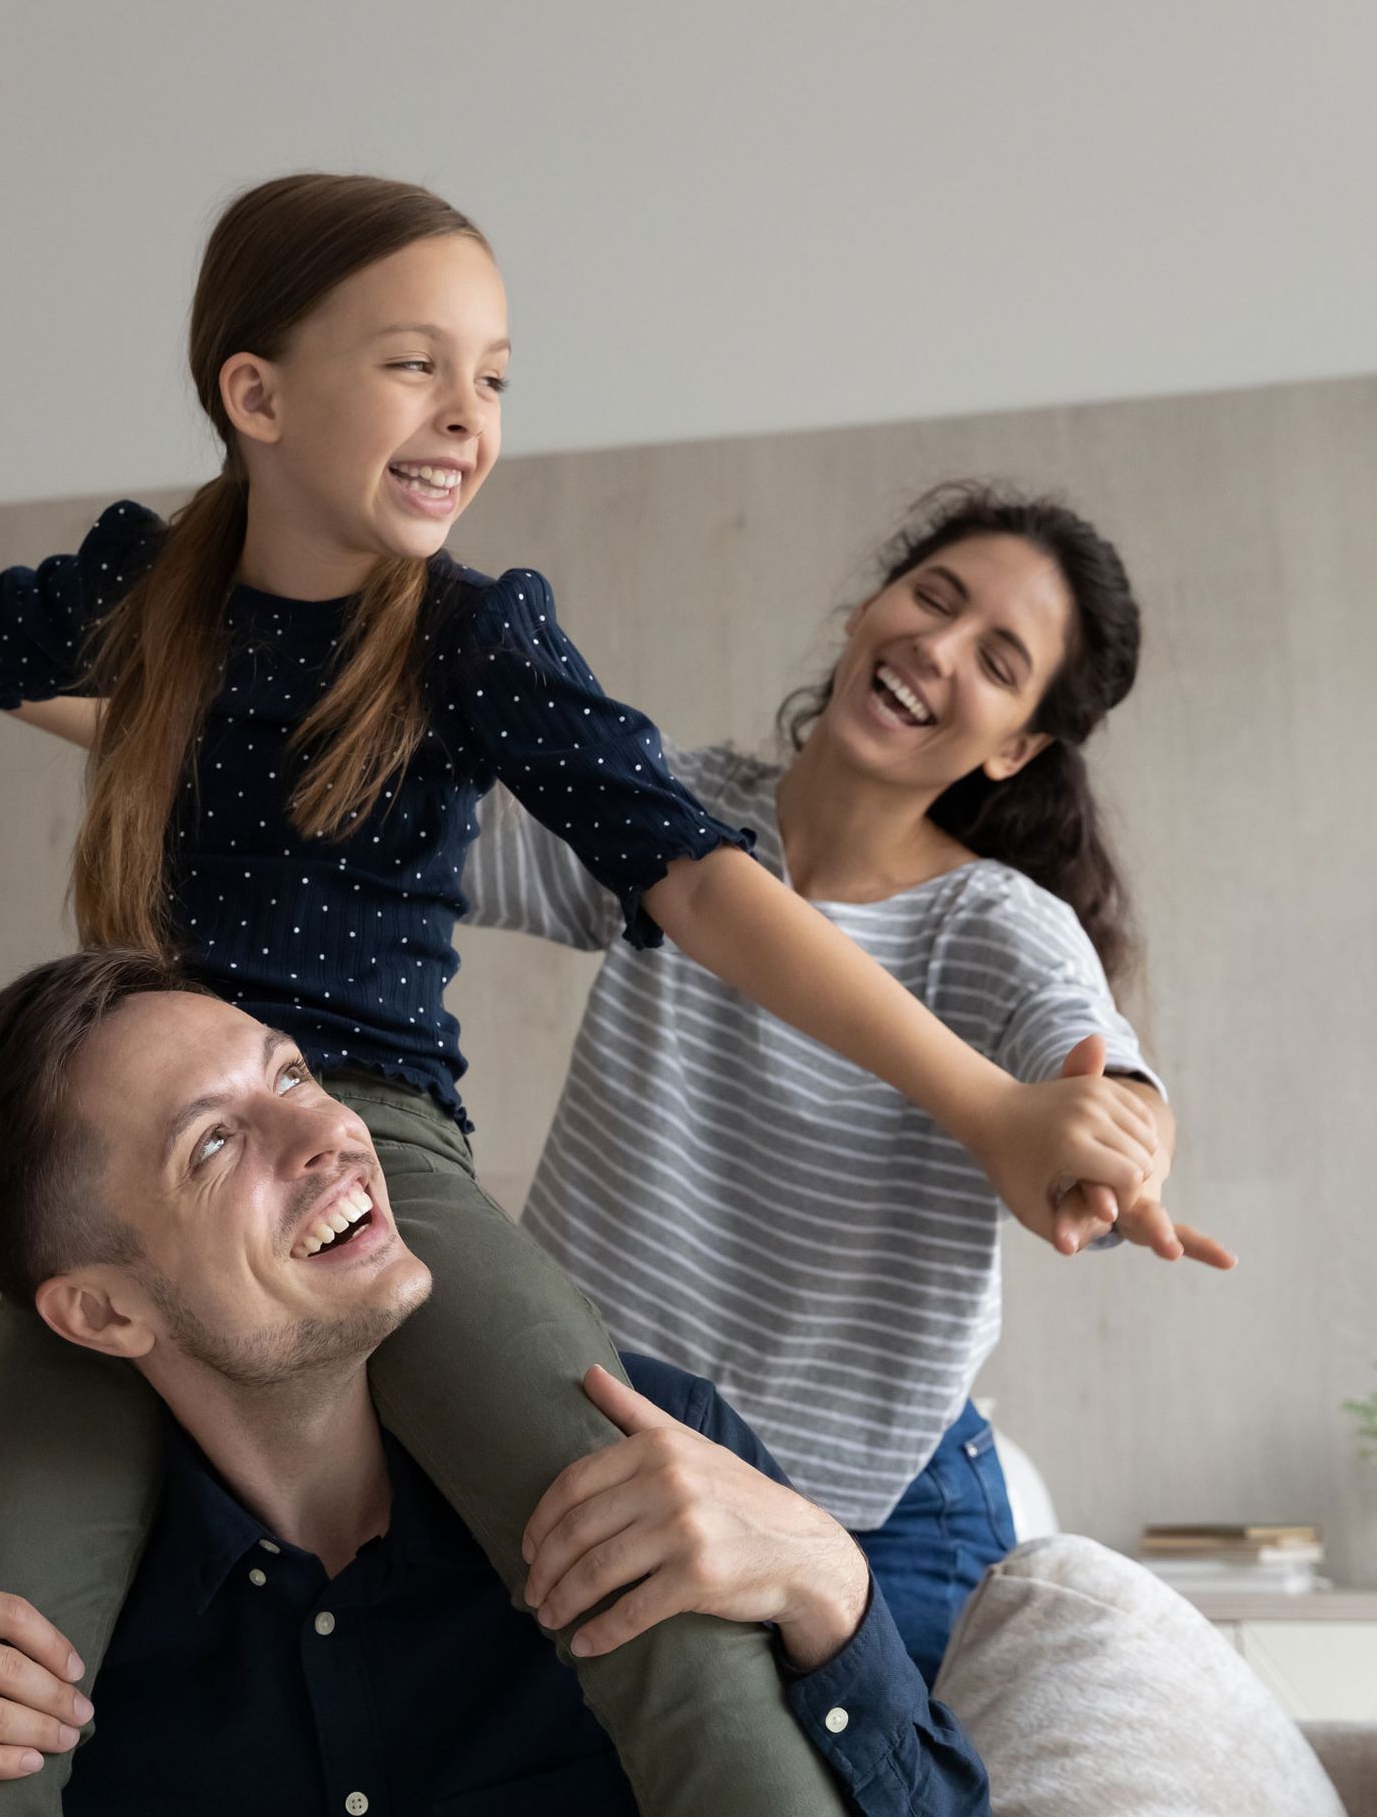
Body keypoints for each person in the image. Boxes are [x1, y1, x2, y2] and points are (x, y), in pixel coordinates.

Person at [0, 173, 1166, 1813]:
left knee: (648, 1571)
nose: (467, 413)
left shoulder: (475, 645)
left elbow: (703, 879)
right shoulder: (144, 599)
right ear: (256, 394)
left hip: (383, 1138)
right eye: (419, 363)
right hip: (134, 1161)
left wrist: (992, 1103)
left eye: (493, 376)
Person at [0, 948, 990, 1816]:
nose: (328, 1136)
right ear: (102, 1311)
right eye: (214, 1144)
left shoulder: (667, 1455)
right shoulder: (45, 1644)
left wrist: (831, 1587)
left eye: (291, 1076)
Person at [463, 483, 1236, 1679]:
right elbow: (389, 821)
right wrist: (142, 716)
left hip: (869, 1509)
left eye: (998, 657)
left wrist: (1120, 1145)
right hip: (601, 1452)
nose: (936, 648)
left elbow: (1101, 1071)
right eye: (933, 597)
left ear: (1015, 744)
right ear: (866, 607)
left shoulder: (995, 926)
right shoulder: (672, 812)